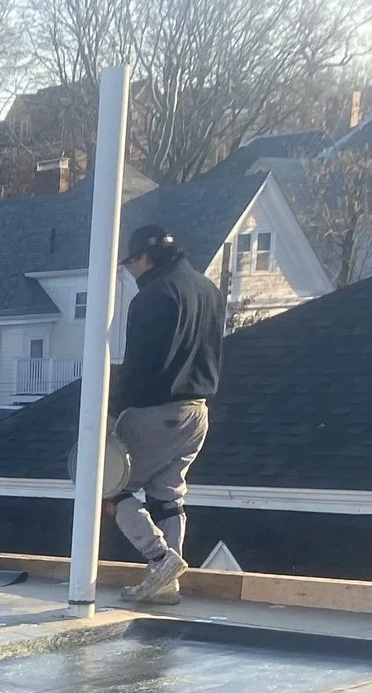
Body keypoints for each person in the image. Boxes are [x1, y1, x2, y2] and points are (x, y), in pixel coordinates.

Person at [111, 223, 226, 607]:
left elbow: (139, 363)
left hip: (155, 410)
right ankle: (166, 587)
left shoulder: (153, 296)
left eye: (129, 262)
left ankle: (160, 560)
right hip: (198, 412)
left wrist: (113, 415)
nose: (129, 270)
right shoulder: (208, 290)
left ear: (144, 256)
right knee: (168, 497)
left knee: (111, 487)